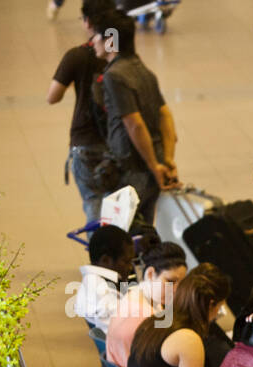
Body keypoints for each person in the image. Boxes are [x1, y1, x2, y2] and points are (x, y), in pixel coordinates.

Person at [90, 8, 179, 225]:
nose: (93, 41)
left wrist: (152, 165)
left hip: (132, 171)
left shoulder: (115, 76)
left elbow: (134, 124)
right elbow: (165, 117)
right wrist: (165, 160)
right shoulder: (144, 71)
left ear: (110, 40)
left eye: (97, 36)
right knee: (144, 233)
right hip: (151, 170)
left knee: (121, 237)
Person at [47, 1, 115, 223]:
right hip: (115, 140)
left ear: (87, 22)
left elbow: (52, 97)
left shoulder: (76, 56)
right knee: (116, 206)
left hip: (85, 140)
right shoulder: (119, 56)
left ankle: (98, 253)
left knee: (93, 204)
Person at [106, 240, 187, 367]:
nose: (176, 290)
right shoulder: (147, 317)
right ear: (150, 274)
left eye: (181, 283)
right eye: (170, 281)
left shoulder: (133, 294)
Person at [74, 224, 134, 333]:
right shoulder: (104, 295)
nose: (130, 267)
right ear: (105, 260)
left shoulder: (93, 280)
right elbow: (126, 330)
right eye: (126, 261)